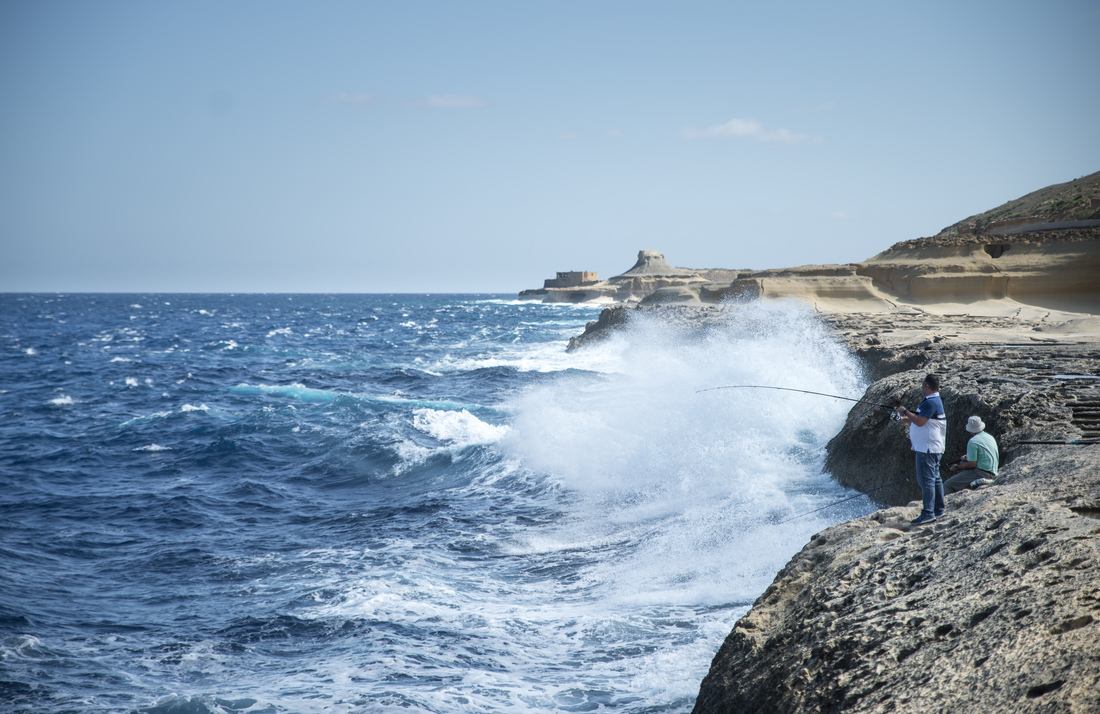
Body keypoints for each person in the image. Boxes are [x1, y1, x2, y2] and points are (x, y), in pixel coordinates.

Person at [896, 373, 947, 525]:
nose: (921, 387)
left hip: (928, 449)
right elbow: (921, 418)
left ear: (927, 386)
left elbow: (919, 421)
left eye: (922, 384)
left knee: (927, 481)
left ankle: (928, 513)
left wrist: (905, 411)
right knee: (935, 478)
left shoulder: (931, 402)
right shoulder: (931, 401)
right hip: (930, 447)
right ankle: (939, 509)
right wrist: (903, 418)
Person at [945, 416, 999, 493]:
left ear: (970, 430)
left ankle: (943, 504)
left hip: (982, 473)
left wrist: (957, 467)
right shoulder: (990, 437)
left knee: (948, 484)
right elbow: (984, 454)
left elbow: (972, 464)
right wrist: (967, 457)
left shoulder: (973, 441)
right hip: (994, 472)